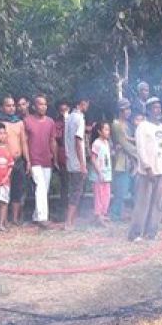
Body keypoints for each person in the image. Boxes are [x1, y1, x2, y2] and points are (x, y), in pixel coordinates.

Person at [128, 98, 162, 241]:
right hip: (147, 171)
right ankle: (135, 233)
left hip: (161, 170)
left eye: (159, 107)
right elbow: (141, 149)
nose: (158, 110)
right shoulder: (142, 127)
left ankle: (151, 232)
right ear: (149, 110)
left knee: (157, 203)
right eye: (155, 108)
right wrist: (147, 167)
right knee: (143, 203)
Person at [24, 95, 57, 229]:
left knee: (45, 188)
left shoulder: (50, 122)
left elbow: (52, 140)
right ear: (34, 106)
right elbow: (24, 142)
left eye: (45, 104)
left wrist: (54, 158)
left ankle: (36, 216)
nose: (43, 107)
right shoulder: (27, 121)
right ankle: (43, 219)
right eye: (40, 104)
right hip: (34, 159)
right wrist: (27, 160)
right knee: (41, 187)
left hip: (47, 159)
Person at [0, 97, 29, 227]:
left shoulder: (19, 122)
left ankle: (14, 219)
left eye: (13, 106)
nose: (11, 108)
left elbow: (23, 142)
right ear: (2, 107)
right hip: (4, 161)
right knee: (4, 189)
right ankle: (2, 220)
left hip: (18, 161)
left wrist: (28, 160)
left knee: (17, 189)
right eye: (8, 105)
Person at [63, 97, 89, 229]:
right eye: (87, 103)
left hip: (70, 159)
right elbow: (78, 141)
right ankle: (69, 222)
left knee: (73, 190)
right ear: (82, 103)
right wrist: (83, 164)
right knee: (76, 191)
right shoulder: (79, 118)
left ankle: (72, 220)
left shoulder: (68, 117)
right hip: (77, 161)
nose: (88, 106)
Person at [110, 100, 136, 221]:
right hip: (121, 161)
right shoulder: (116, 124)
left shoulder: (128, 125)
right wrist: (139, 153)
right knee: (120, 190)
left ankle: (121, 214)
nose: (129, 111)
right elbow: (124, 144)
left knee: (130, 189)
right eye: (126, 109)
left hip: (129, 161)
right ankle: (115, 216)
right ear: (121, 111)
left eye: (129, 109)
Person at [90, 121, 113, 223]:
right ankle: (98, 214)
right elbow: (93, 159)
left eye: (108, 129)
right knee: (99, 195)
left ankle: (103, 213)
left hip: (106, 173)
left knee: (106, 195)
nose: (108, 132)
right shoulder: (96, 143)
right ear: (100, 131)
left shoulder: (106, 143)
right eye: (106, 129)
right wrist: (99, 172)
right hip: (99, 174)